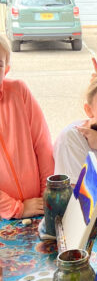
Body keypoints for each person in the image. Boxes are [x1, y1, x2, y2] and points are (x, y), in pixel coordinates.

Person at [0, 36, 54, 219]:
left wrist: (48, 192)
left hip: (38, 206)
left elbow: (43, 145)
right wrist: (17, 209)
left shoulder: (18, 91)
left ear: (6, 70)